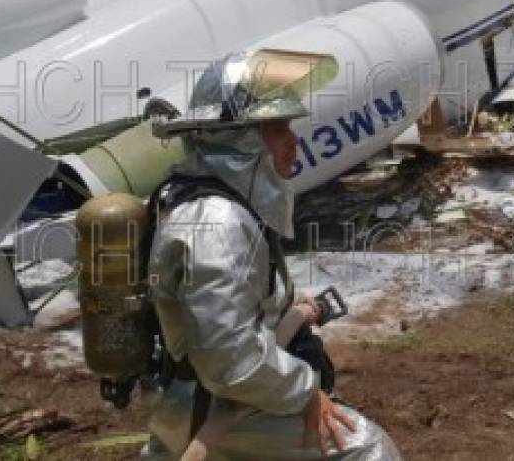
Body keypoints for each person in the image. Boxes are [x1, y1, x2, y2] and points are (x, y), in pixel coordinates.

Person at [141, 53, 403, 460]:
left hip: (194, 396)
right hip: (212, 406)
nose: (293, 140)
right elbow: (230, 360)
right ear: (241, 142)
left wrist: (294, 311)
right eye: (278, 128)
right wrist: (306, 392)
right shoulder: (219, 222)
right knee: (367, 450)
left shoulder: (208, 204)